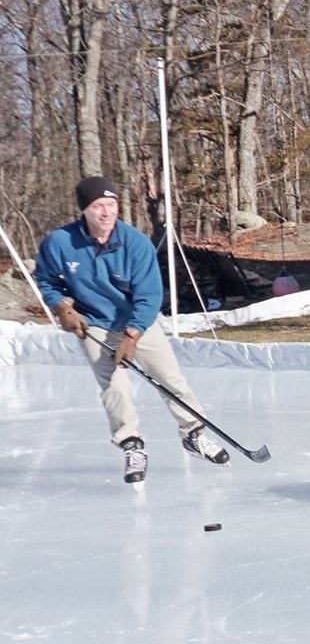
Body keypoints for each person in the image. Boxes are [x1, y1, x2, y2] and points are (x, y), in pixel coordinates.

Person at [33, 176, 230, 484]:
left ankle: (193, 433)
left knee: (170, 379)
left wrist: (132, 335)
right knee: (114, 385)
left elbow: (150, 295)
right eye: (98, 206)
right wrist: (62, 308)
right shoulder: (60, 242)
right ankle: (131, 443)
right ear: (84, 210)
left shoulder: (134, 242)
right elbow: (45, 279)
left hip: (138, 320)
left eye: (111, 205)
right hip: (93, 324)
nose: (106, 212)